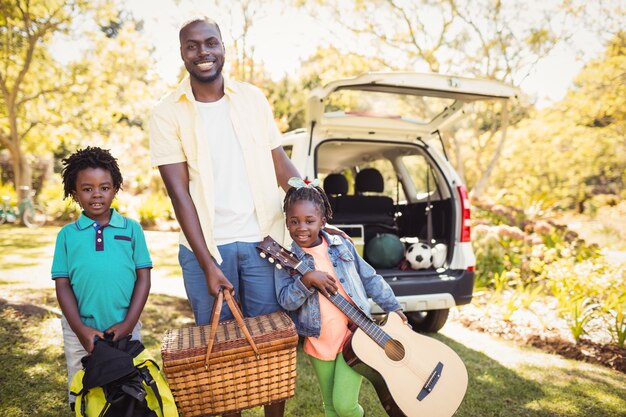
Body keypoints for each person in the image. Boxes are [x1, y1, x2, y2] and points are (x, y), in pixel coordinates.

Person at [149, 16, 300, 417]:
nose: (203, 52)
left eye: (210, 43)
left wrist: (304, 190)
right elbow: (179, 194)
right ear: (182, 53)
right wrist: (206, 262)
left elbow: (276, 159)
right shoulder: (167, 112)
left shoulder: (252, 98)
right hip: (206, 248)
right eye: (193, 46)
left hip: (262, 242)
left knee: (272, 342)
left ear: (223, 48)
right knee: (220, 350)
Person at [274, 178, 408, 417]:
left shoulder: (341, 245)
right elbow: (286, 300)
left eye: (309, 221)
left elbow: (370, 278)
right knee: (331, 407)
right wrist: (306, 280)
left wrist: (393, 306)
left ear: (323, 220)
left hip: (356, 337)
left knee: (345, 405)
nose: (301, 227)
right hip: (320, 341)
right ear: (286, 222)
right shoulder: (286, 261)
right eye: (294, 221)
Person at [51, 146, 152, 408]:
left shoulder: (131, 230)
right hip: (80, 332)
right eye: (87, 188)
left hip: (125, 327)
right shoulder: (67, 235)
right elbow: (62, 285)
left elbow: (143, 278)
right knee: (84, 391)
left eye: (104, 187)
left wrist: (129, 324)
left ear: (115, 188)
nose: (96, 194)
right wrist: (81, 330)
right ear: (74, 193)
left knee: (130, 389)